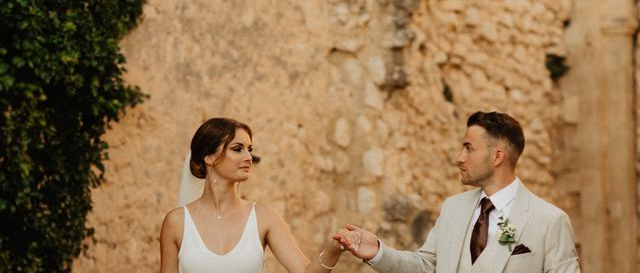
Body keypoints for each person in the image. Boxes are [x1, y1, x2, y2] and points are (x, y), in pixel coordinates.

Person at [333, 111, 581, 273]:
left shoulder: (549, 221)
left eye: (468, 148)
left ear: (497, 157)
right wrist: (378, 251)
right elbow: (427, 266)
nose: (459, 158)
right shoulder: (453, 208)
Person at [160, 117, 353, 273]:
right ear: (209, 157)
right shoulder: (177, 222)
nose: (249, 157)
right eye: (238, 149)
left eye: (249, 149)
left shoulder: (264, 217)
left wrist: (334, 250)